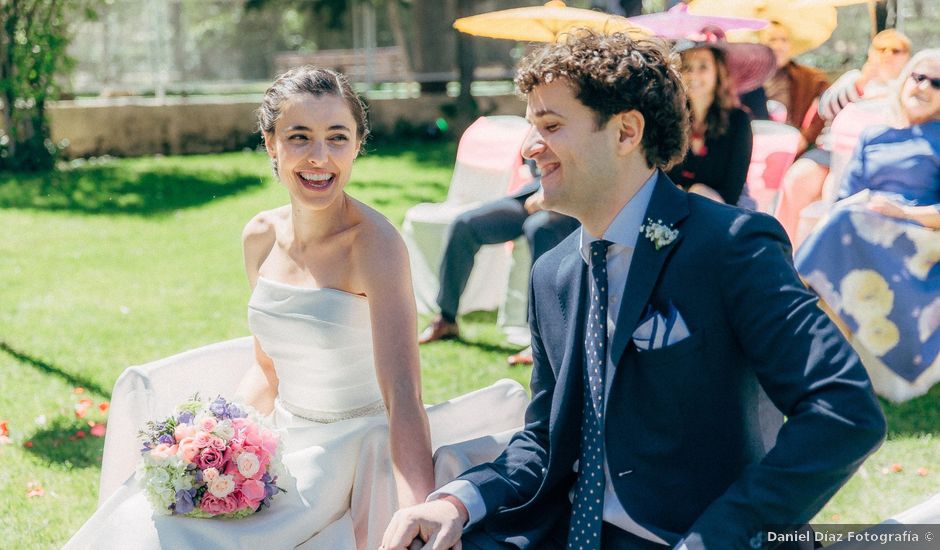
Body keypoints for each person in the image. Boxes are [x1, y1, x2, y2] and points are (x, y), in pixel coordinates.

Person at [382, 31, 886, 550]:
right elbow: (545, 440)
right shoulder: (551, 272)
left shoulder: (731, 246)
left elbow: (843, 411)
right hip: (566, 529)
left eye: (551, 126)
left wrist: (721, 534)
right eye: (532, 127)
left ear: (626, 132)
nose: (530, 148)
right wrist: (456, 501)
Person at [64, 66, 529, 550]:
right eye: (300, 137)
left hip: (347, 455)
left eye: (337, 138)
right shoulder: (259, 236)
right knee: (145, 513)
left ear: (357, 144)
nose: (319, 158)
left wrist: (415, 506)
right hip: (277, 444)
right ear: (271, 143)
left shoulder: (376, 246)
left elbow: (404, 398)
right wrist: (213, 443)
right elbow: (268, 369)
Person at [795, 49, 940, 403]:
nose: (923, 86)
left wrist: (902, 213)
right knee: (840, 220)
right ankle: (830, 369)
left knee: (841, 229)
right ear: (904, 78)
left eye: (936, 83)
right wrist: (861, 207)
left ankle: (794, 296)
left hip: (918, 233)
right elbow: (845, 198)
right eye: (917, 76)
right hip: (860, 226)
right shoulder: (874, 135)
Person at [418, 169, 579, 367]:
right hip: (535, 191)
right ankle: (446, 318)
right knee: (464, 224)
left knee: (539, 228)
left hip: (576, 197)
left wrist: (553, 193)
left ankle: (541, 341)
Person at [774, 29, 912, 244]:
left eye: (896, 50)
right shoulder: (854, 79)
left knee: (834, 190)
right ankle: (783, 248)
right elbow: (825, 109)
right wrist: (863, 82)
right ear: (870, 51)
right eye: (881, 48)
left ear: (907, 57)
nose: (888, 54)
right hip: (831, 150)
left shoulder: (909, 87)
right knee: (796, 180)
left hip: (873, 157)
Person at [667, 27, 776, 205]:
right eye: (687, 67)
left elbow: (732, 191)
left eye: (703, 66)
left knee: (699, 193)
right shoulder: (669, 119)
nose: (693, 75)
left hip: (724, 211)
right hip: (675, 211)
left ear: (718, 71)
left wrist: (694, 197)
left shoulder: (738, 120)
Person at [760, 21, 830, 153]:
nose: (778, 46)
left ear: (790, 45)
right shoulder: (752, 81)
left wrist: (806, 137)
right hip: (759, 143)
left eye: (784, 40)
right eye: (772, 40)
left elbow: (826, 107)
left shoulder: (809, 77)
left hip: (793, 144)